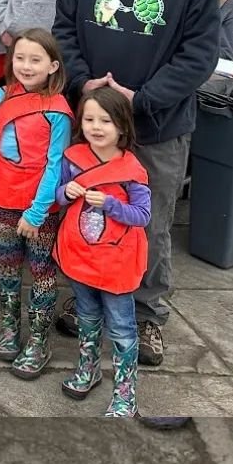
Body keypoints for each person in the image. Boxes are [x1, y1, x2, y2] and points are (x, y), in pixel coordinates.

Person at [53, 0, 220, 367]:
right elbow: (64, 28)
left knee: (149, 224)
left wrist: (140, 100)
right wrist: (85, 86)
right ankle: (85, 296)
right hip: (95, 129)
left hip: (158, 129)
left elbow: (199, 56)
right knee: (87, 213)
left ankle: (145, 315)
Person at [0, 29, 72, 378]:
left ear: (52, 65)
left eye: (35, 59)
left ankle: (38, 340)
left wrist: (35, 212)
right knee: (6, 267)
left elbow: (56, 165)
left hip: (40, 211)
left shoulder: (58, 111)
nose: (26, 65)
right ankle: (9, 328)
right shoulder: (0, 96)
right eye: (20, 58)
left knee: (41, 271)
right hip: (2, 201)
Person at [55, 86, 151, 418]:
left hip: (116, 262)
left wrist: (111, 205)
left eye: (106, 121)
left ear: (122, 126)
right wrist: (66, 191)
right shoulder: (73, 158)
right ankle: (89, 368)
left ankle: (125, 392)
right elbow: (59, 197)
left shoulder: (133, 171)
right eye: (90, 119)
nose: (96, 127)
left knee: (122, 327)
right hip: (79, 253)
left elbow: (143, 216)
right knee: (87, 316)